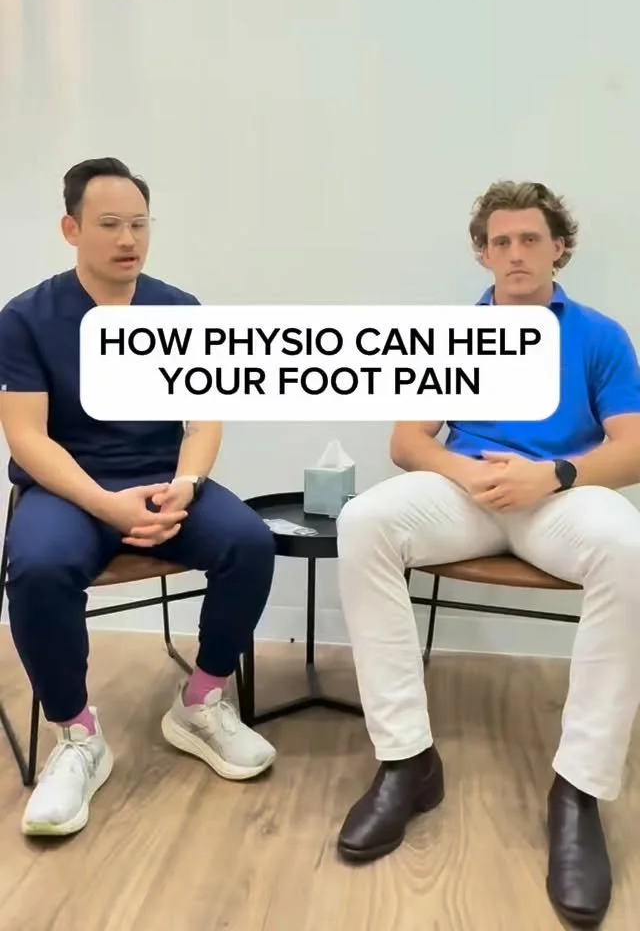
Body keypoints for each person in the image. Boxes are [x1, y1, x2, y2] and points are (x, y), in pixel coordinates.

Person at [335, 181, 640, 928]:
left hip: (559, 499)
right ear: (482, 254)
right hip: (467, 494)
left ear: (559, 247)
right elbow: (407, 441)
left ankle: (578, 792)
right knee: (363, 522)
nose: (515, 253)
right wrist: (463, 471)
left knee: (628, 547)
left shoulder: (600, 336)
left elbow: (633, 447)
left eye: (530, 239)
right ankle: (407, 762)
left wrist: (555, 474)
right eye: (500, 242)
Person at [0, 157, 277, 839]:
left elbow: (204, 420)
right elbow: (27, 438)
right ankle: (78, 736)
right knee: (37, 567)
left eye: (139, 224)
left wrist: (187, 487)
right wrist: (106, 504)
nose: (128, 239)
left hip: (162, 480)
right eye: (109, 225)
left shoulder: (179, 310)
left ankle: (201, 701)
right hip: (69, 488)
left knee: (250, 542)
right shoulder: (26, 318)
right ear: (71, 229)